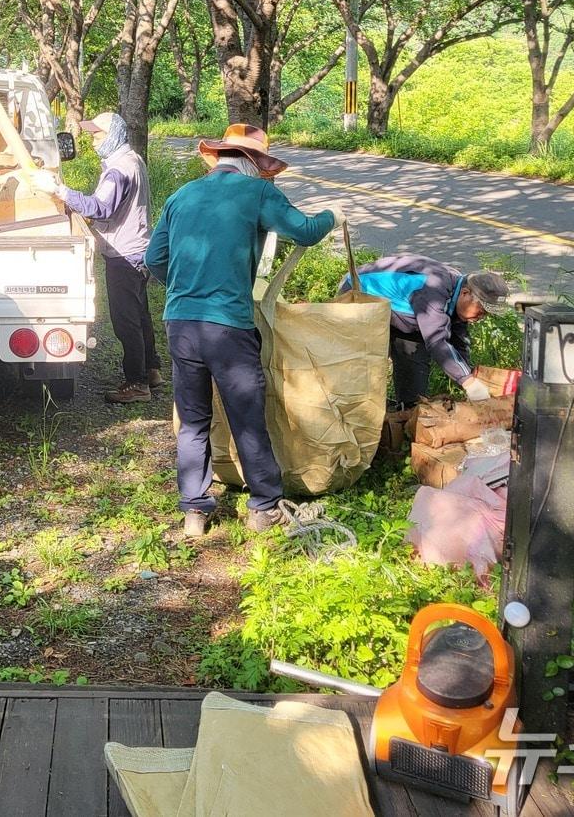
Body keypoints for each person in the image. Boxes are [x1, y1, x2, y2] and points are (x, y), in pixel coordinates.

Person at [145, 124, 336, 537]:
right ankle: (264, 506)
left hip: (180, 323)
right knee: (246, 415)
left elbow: (153, 258)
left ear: (221, 158)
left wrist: (185, 286)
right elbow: (304, 230)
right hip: (228, 325)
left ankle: (194, 512)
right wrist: (333, 215)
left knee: (194, 419)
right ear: (253, 162)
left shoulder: (181, 196)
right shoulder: (258, 194)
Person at [43, 112, 161, 404]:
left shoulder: (119, 169)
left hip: (124, 253)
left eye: (98, 135)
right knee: (141, 314)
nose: (94, 141)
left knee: (125, 320)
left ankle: (137, 383)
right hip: (138, 248)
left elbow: (100, 208)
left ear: (115, 135)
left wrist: (60, 191)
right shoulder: (132, 160)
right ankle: (151, 369)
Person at [341, 256, 509, 409]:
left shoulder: (457, 294)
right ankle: (353, 415)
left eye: (487, 314)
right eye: (481, 310)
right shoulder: (434, 289)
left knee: (414, 375)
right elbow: (437, 342)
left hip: (402, 315)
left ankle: (406, 414)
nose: (482, 317)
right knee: (363, 370)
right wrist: (468, 382)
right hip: (360, 297)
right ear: (465, 293)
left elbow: (458, 343)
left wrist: (469, 377)